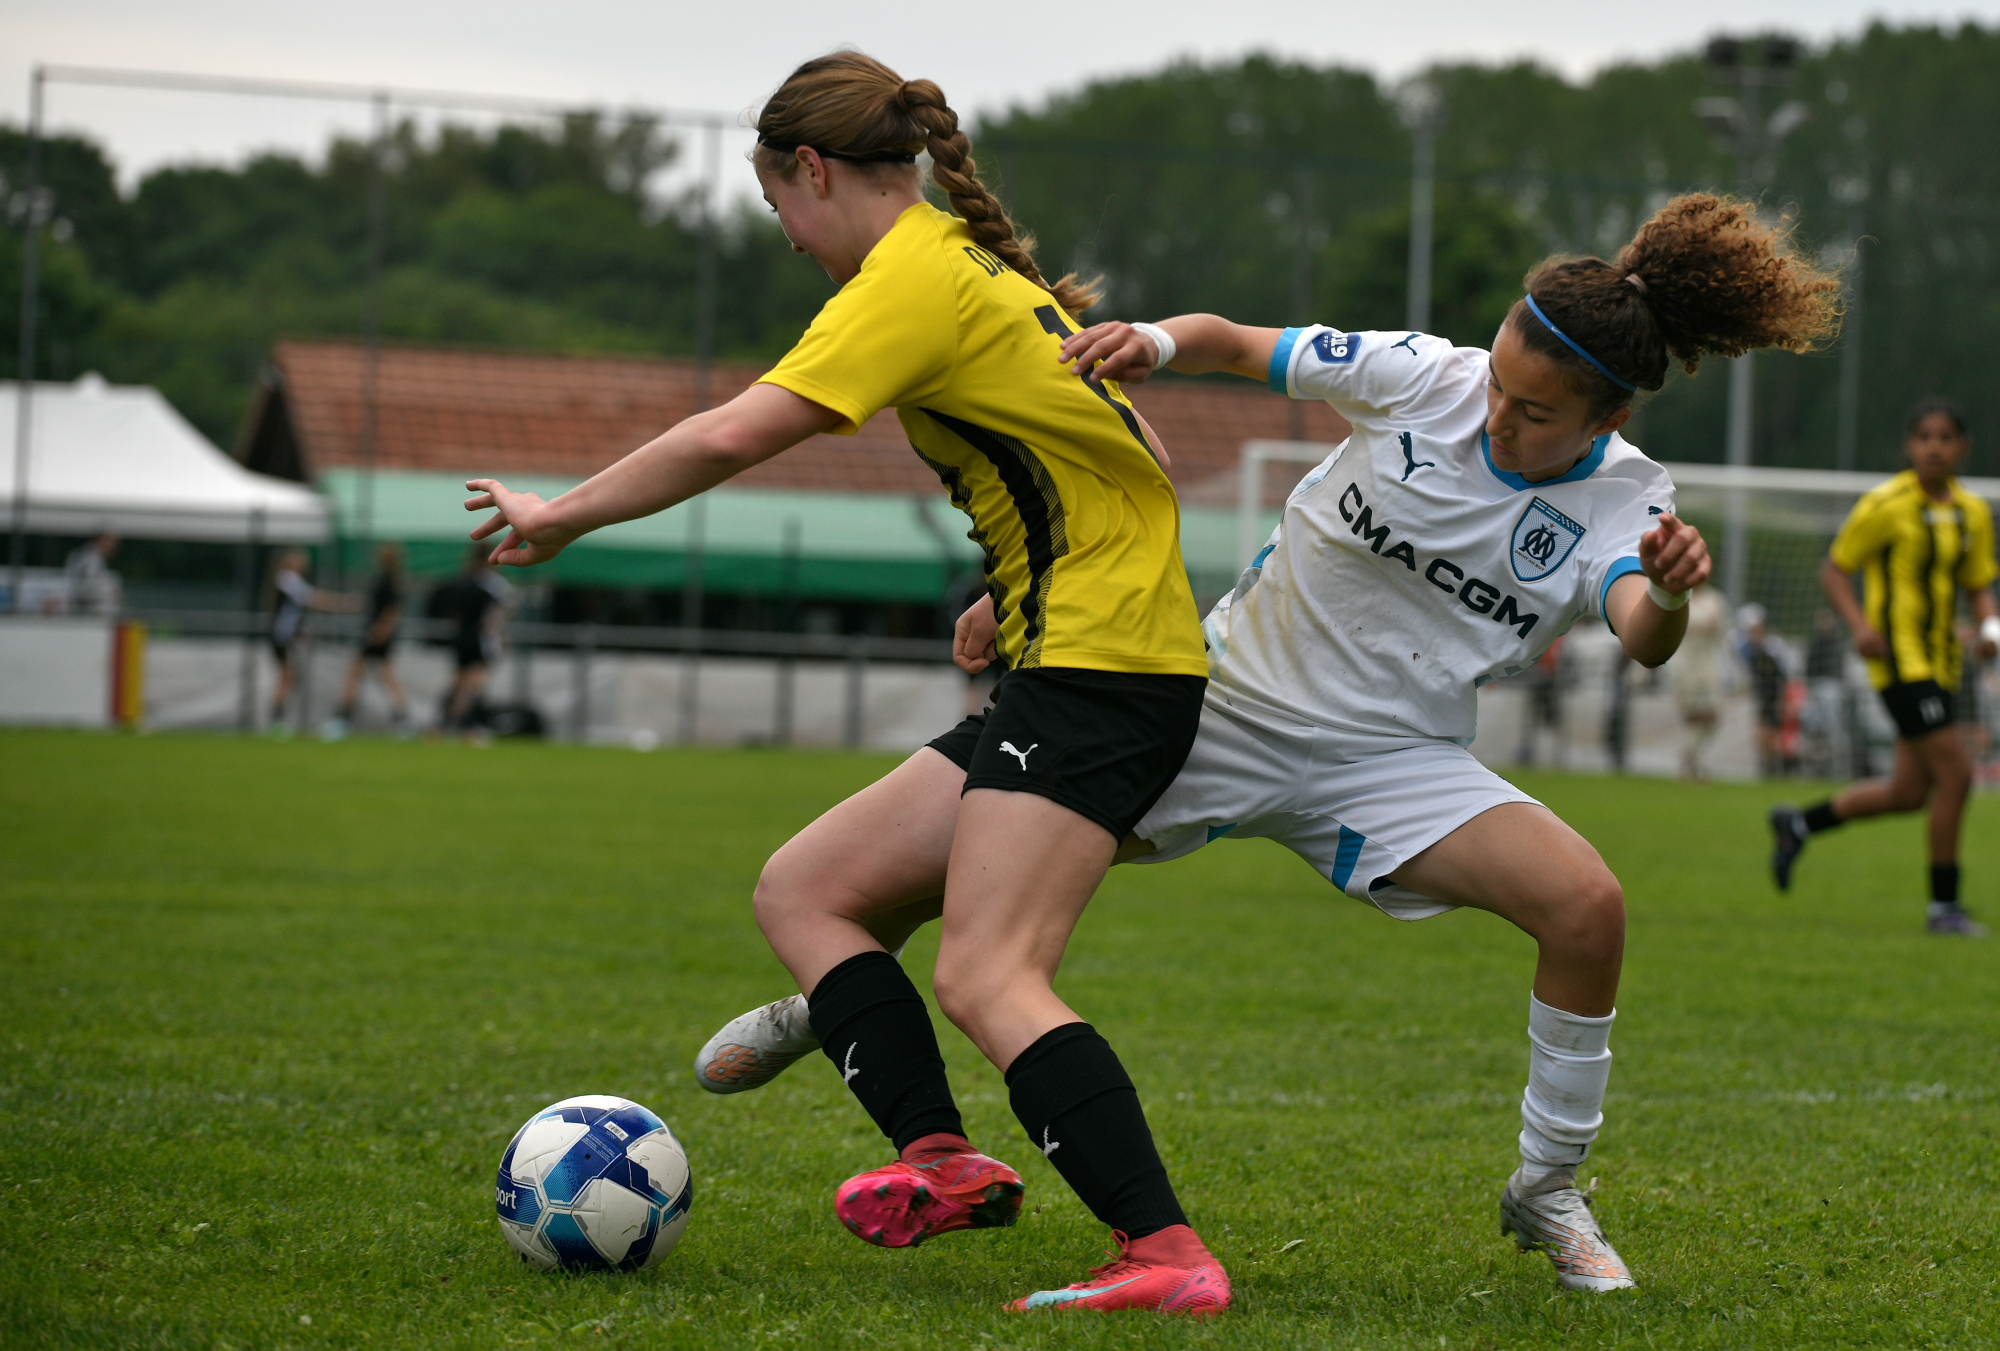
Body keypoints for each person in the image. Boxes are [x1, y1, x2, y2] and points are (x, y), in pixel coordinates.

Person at [697, 192, 1841, 1293]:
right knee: (948, 862)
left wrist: (1671, 592)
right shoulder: (1422, 376)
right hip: (1214, 701)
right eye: (1497, 381)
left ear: (1606, 422)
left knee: (1586, 906)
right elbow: (1238, 344)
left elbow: (1640, 627)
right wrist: (1152, 340)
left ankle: (1546, 1189)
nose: (1494, 414)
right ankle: (846, 1000)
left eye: (1533, 413)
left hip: (1390, 762)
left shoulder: (1628, 500)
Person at [463, 52, 1227, 1315]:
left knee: (986, 974)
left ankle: (1165, 1255)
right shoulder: (975, 267)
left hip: (1101, 667)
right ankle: (941, 1160)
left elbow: (732, 431)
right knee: (808, 889)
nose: (787, 236)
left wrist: (562, 515)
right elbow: (1132, 442)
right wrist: (1018, 579)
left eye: (777, 205)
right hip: (1090, 649)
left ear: (811, 171)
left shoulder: (909, 277)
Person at [1770, 398, 1999, 935]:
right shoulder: (1886, 503)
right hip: (1900, 664)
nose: (1934, 447)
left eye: (1945, 437)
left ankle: (1798, 824)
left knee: (1908, 793)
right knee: (1957, 776)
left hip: (1943, 665)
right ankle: (1944, 908)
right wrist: (1860, 626)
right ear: (1910, 445)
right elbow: (1835, 570)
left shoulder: (1971, 512)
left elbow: (1977, 586)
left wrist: (1990, 631)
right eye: (1925, 437)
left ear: (1962, 447)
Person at [325, 543, 410, 738]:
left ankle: (343, 717)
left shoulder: (388, 581)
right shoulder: (388, 579)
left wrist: (381, 630)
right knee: (379, 675)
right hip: (375, 632)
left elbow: (392, 609)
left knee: (364, 674)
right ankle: (401, 717)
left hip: (375, 633)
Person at [429, 545, 512, 736]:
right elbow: (494, 617)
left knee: (459, 684)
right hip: (476, 639)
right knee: (474, 685)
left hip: (460, 637)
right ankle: (467, 724)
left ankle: (444, 724)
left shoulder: (460, 584)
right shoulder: (489, 587)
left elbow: (450, 612)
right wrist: (501, 638)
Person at [267, 548, 353, 731]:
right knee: (287, 677)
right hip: (281, 636)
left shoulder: (292, 581)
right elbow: (314, 599)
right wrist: (345, 604)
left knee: (290, 678)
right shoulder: (287, 579)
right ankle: (276, 720)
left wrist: (301, 632)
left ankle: (278, 718)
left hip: (287, 636)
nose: (302, 564)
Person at [1671, 584, 1726, 780]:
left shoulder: (1714, 599)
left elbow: (1722, 633)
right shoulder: (1678, 597)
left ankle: (1691, 757)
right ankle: (1692, 765)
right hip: (1684, 666)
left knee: (1712, 716)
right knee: (1692, 717)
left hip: (1707, 666)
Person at [1737, 604, 1791, 777]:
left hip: (1773, 696)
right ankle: (1765, 771)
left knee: (1773, 738)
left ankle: (1777, 771)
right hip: (1761, 696)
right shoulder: (1749, 648)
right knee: (1761, 736)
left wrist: (1782, 700)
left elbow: (1783, 676)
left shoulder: (1774, 646)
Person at [64, 532, 122, 614]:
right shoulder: (90, 557)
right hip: (87, 609)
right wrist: (111, 589)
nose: (115, 546)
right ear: (102, 540)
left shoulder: (88, 555)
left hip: (84, 606)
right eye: (112, 541)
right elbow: (85, 585)